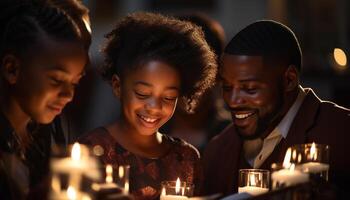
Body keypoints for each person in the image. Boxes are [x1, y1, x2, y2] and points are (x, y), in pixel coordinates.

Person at [201, 20, 350, 198]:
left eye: (250, 89)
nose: (232, 101)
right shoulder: (217, 150)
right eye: (226, 88)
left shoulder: (342, 131)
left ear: (289, 80)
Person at [79, 12, 217, 200]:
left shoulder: (187, 158)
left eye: (169, 97)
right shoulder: (91, 151)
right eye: (143, 94)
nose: (154, 107)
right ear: (118, 86)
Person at [0, 0, 88, 199]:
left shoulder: (46, 136)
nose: (69, 95)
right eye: (56, 80)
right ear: (12, 69)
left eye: (74, 82)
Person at [162, 13, 230, 152]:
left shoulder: (234, 137)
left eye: (198, 73)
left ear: (217, 74)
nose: (188, 85)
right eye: (179, 72)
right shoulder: (145, 134)